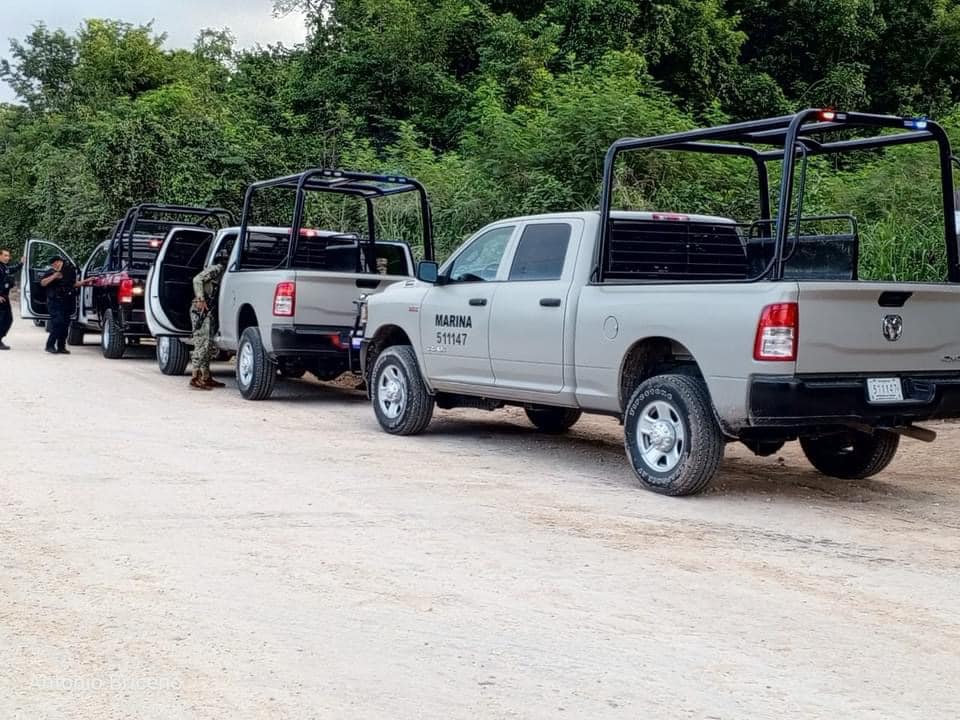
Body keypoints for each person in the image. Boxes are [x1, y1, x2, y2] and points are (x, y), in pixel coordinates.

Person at [189, 249, 229, 390]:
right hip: (201, 311)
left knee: (208, 344)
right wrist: (200, 298)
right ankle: (195, 377)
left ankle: (205, 376)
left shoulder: (221, 272)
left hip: (208, 311)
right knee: (202, 344)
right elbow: (197, 279)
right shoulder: (217, 269)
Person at [39, 256, 90, 355]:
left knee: (65, 325)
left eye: (55, 263)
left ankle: (61, 347)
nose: (54, 265)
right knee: (58, 323)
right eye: (52, 264)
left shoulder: (69, 271)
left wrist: (84, 282)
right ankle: (49, 345)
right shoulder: (50, 272)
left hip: (66, 301)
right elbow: (43, 283)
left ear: (59, 262)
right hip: (54, 302)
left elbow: (73, 284)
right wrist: (54, 276)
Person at [0, 249, 24, 350]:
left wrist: (21, 263)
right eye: (5, 255)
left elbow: (12, 269)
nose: (7, 258)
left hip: (4, 297)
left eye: (8, 256)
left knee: (8, 319)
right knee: (3, 319)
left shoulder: (4, 267)